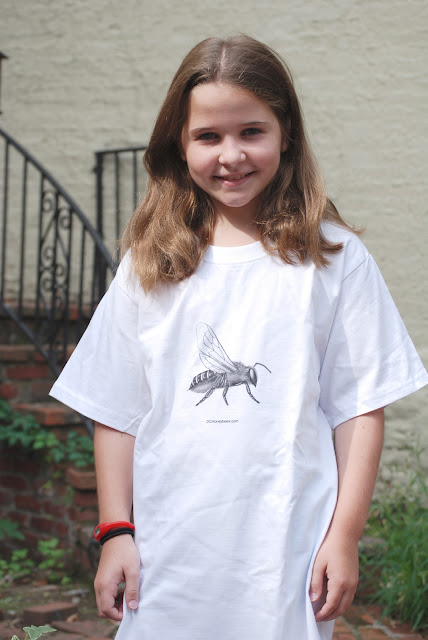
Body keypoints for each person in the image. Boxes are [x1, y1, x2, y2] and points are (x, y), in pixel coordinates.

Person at [50, 35, 428, 640]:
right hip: (168, 556)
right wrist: (116, 531)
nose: (231, 155)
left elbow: (359, 408)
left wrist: (345, 536)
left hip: (286, 556)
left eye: (252, 131)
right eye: (208, 136)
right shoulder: (151, 263)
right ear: (179, 144)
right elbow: (117, 410)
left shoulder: (333, 259)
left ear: (287, 133)